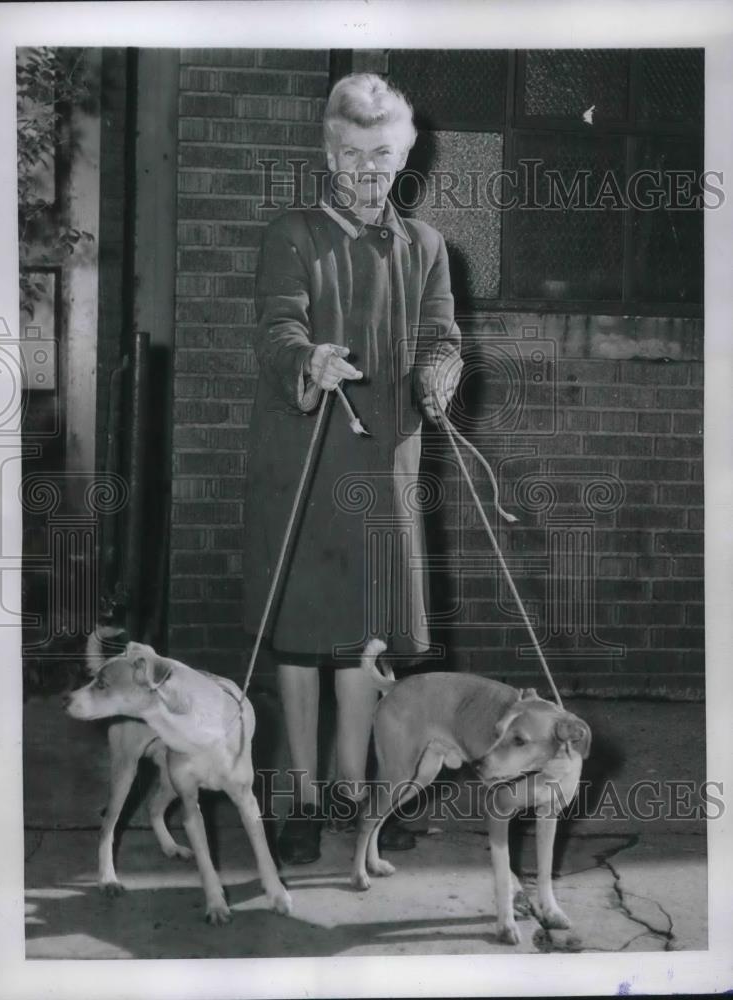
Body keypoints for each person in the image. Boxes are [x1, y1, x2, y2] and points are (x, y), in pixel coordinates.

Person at [243, 73, 463, 864]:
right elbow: (276, 328)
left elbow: (441, 336)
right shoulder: (293, 233)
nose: (368, 172)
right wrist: (311, 357)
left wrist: (441, 374)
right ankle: (300, 800)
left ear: (405, 157)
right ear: (329, 156)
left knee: (370, 640)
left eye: (383, 156)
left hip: (383, 463)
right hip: (302, 456)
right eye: (352, 156)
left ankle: (357, 795)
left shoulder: (428, 246)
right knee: (302, 642)